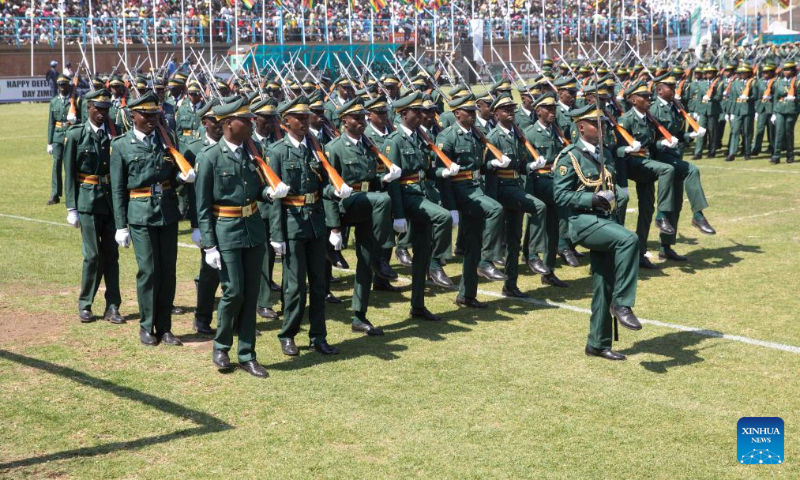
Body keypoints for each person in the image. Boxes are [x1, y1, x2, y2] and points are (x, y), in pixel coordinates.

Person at [195, 96, 287, 377]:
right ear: (227, 124)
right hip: (227, 231)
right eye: (244, 119)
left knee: (250, 294)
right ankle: (221, 347)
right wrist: (209, 244)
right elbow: (202, 206)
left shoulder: (254, 150)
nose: (250, 123)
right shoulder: (209, 157)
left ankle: (247, 353)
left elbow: (257, 188)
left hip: (253, 229)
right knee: (233, 291)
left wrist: (268, 193)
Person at [553, 104, 642, 361]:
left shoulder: (607, 154)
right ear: (581, 127)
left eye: (603, 123)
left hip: (606, 223)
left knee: (604, 283)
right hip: (583, 223)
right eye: (596, 123)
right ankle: (623, 303)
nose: (602, 127)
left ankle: (597, 344)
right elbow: (559, 195)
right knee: (630, 240)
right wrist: (592, 200)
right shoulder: (570, 157)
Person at [110, 91, 194, 347]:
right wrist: (120, 225)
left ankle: (165, 327)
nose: (151, 119)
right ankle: (147, 326)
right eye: (145, 115)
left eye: (154, 114)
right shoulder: (121, 145)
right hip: (140, 214)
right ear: (132, 116)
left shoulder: (167, 141)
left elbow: (174, 176)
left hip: (167, 212)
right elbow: (117, 188)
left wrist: (182, 179)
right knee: (148, 271)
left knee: (168, 273)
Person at [268, 95, 344, 356]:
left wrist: (335, 193)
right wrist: (277, 234)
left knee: (319, 283)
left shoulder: (315, 147)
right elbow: (275, 196)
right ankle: (288, 333)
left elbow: (323, 184)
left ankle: (318, 336)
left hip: (315, 222)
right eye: (298, 118)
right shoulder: (277, 151)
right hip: (292, 225)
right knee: (295, 285)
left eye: (305, 117)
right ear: (285, 121)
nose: (304, 122)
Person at [323, 97, 402, 336]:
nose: (361, 122)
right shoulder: (335, 148)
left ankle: (359, 316)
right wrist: (335, 228)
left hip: (368, 206)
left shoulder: (367, 145)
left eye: (362, 117)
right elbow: (329, 191)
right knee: (384, 200)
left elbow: (369, 180)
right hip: (347, 206)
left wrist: (384, 179)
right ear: (343, 121)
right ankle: (383, 254)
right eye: (355, 118)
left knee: (365, 263)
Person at [383, 91, 453, 321]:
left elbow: (428, 170)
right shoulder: (394, 141)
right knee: (443, 217)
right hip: (408, 197)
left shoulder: (419, 137)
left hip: (423, 194)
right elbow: (393, 180)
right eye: (417, 112)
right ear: (404, 114)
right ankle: (437, 263)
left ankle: (418, 306)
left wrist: (443, 171)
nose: (423, 115)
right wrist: (399, 215)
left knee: (421, 252)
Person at [436, 94, 506, 308]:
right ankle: (488, 260)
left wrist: (493, 165)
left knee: (473, 245)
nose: (473, 115)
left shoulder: (477, 134)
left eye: (474, 111)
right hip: (461, 192)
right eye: (469, 112)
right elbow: (442, 176)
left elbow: (479, 167)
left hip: (476, 189)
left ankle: (466, 295)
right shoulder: (447, 137)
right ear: (457, 113)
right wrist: (451, 207)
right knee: (496, 209)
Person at [62, 89, 124, 325]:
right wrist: (71, 207)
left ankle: (112, 306)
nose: (102, 114)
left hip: (110, 201)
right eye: (98, 109)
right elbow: (69, 173)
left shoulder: (115, 133)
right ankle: (85, 303)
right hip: (87, 201)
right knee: (93, 255)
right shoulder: (77, 134)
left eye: (106, 110)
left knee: (112, 255)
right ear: (88, 107)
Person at [484, 93, 550, 298]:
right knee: (539, 207)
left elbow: (520, 164)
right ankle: (532, 254)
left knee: (514, 238)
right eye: (506, 110)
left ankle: (510, 285)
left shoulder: (517, 134)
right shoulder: (493, 136)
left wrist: (530, 165)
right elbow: (482, 165)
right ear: (496, 114)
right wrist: (492, 164)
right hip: (501, 188)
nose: (510, 113)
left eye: (512, 109)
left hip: (516, 185)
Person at [650, 73, 716, 261]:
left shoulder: (676, 107)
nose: (674, 90)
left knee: (676, 203)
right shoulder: (653, 109)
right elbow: (649, 141)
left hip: (675, 156)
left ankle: (666, 247)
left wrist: (690, 136)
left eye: (674, 86)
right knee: (692, 170)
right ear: (660, 90)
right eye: (670, 87)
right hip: (661, 158)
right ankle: (698, 215)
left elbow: (676, 134)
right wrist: (663, 144)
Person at [615, 81, 678, 269]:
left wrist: (663, 144)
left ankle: (640, 252)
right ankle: (663, 216)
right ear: (633, 100)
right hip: (631, 164)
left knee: (646, 209)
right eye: (644, 97)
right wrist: (626, 148)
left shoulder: (649, 119)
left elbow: (651, 145)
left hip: (646, 165)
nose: (649, 99)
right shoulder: (625, 120)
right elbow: (614, 149)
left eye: (650, 96)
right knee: (667, 169)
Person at [180, 100, 221, 335]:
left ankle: (232, 318)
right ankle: (202, 318)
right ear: (204, 122)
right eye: (214, 121)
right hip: (206, 220)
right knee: (209, 272)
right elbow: (191, 194)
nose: (218, 125)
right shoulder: (194, 149)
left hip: (229, 217)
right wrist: (195, 226)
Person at [250, 97, 283, 320]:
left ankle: (266, 289)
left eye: (274, 117)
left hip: (279, 204)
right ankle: (262, 302)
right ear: (255, 119)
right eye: (266, 117)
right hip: (259, 205)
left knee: (272, 253)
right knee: (262, 255)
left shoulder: (277, 140)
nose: (271, 122)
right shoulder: (248, 141)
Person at [46, 74, 80, 205]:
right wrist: (49, 142)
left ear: (69, 85)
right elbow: (51, 123)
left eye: (64, 85)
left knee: (70, 166)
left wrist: (74, 119)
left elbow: (81, 119)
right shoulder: (54, 101)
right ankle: (55, 194)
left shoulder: (75, 100)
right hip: (58, 137)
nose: (62, 87)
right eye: (60, 85)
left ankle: (72, 195)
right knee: (56, 166)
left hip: (71, 135)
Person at [771, 61, 798, 164]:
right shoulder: (779, 82)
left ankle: (790, 155)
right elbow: (776, 98)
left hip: (791, 109)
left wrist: (795, 98)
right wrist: (774, 112)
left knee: (788, 132)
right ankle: (776, 155)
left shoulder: (797, 82)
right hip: (780, 109)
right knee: (779, 132)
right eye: (785, 69)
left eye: (789, 69)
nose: (786, 71)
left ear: (793, 71)